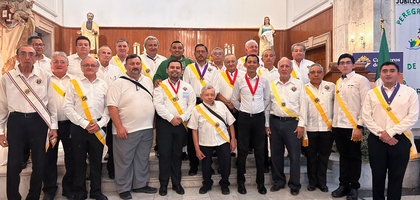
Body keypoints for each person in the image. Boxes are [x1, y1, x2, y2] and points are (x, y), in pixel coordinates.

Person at [0, 45, 58, 200]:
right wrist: (0, 132)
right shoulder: (7, 77)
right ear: (17, 56)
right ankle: (13, 197)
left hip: (38, 122)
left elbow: (51, 103)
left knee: (39, 163)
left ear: (36, 57)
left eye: (31, 54)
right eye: (23, 54)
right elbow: (2, 106)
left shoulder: (44, 75)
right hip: (16, 122)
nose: (27, 57)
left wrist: (54, 126)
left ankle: (33, 196)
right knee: (14, 164)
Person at [362, 61, 419, 200]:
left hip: (400, 139)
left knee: (396, 177)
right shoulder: (372, 93)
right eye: (385, 71)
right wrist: (382, 133)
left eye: (392, 70)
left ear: (398, 74)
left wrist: (390, 132)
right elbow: (366, 116)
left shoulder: (409, 92)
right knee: (378, 176)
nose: (388, 73)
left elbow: (412, 117)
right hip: (377, 139)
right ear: (380, 75)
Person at [107, 54, 157, 199]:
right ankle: (123, 188)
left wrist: (153, 120)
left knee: (142, 158)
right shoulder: (118, 84)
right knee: (124, 160)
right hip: (126, 130)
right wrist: (119, 127)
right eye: (132, 64)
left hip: (146, 128)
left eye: (137, 63)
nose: (135, 66)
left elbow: (152, 101)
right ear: (126, 66)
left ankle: (140, 184)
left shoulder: (147, 81)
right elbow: (112, 107)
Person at [63, 56, 110, 200]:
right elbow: (67, 107)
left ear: (97, 68)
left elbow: (109, 108)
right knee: (79, 161)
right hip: (79, 128)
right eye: (86, 65)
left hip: (98, 128)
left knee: (96, 162)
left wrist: (100, 124)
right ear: (82, 67)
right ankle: (80, 192)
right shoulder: (73, 84)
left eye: (93, 65)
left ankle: (96, 191)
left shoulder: (104, 84)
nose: (90, 67)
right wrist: (84, 124)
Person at [265, 57, 307, 195]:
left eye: (287, 66)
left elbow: (303, 105)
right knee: (276, 154)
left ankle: (295, 184)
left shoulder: (299, 84)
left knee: (295, 155)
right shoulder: (271, 85)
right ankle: (278, 182)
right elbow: (266, 106)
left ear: (291, 69)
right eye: (281, 66)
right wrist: (266, 124)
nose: (284, 69)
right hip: (275, 122)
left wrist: (301, 124)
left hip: (292, 124)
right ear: (278, 69)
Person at [153, 60, 196, 196]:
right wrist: (171, 118)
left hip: (181, 124)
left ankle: (177, 183)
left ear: (181, 71)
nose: (175, 70)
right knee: (165, 154)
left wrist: (182, 118)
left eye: (178, 68)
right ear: (167, 70)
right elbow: (158, 105)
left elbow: (192, 105)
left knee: (177, 154)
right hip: (165, 123)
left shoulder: (187, 87)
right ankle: (164, 184)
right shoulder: (160, 86)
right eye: (172, 67)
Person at [331, 53, 370, 200]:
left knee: (354, 157)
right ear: (338, 66)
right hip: (338, 126)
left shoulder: (361, 80)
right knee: (343, 157)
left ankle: (354, 187)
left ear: (353, 65)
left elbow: (365, 105)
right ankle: (343, 185)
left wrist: (360, 126)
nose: (345, 65)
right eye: (342, 63)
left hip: (354, 127)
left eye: (348, 62)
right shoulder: (338, 82)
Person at [231, 54, 270, 195]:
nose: (252, 64)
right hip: (244, 118)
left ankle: (261, 182)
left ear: (258, 65)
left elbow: (267, 98)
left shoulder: (264, 81)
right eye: (249, 62)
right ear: (245, 64)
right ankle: (241, 182)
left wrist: (259, 108)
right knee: (242, 152)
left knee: (260, 152)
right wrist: (243, 109)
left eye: (254, 62)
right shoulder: (239, 81)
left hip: (258, 118)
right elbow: (234, 99)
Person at [189, 85, 236, 195]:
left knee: (226, 163)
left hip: (222, 140)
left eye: (212, 94)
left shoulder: (221, 105)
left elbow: (231, 124)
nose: (210, 97)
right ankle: (207, 184)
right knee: (205, 165)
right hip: (205, 141)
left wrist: (233, 140)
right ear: (201, 96)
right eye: (207, 95)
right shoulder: (197, 109)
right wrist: (196, 148)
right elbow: (194, 130)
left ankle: (224, 184)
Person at [42, 52, 77, 200]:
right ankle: (49, 190)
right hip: (50, 126)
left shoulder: (75, 81)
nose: (59, 64)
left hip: (70, 125)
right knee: (49, 158)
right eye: (55, 61)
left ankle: (68, 188)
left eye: (62, 62)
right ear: (51, 65)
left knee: (72, 158)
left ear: (67, 65)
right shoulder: (43, 80)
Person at [182, 44, 219, 176]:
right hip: (194, 103)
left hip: (209, 102)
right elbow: (184, 87)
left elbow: (216, 87)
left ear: (207, 53)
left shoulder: (212, 69)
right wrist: (188, 104)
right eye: (198, 51)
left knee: (207, 134)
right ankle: (193, 165)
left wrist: (209, 99)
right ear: (194, 54)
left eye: (203, 51)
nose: (200, 54)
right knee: (193, 135)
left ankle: (208, 165)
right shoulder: (189, 68)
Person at [304, 64, 335, 193]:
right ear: (308, 75)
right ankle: (312, 182)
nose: (316, 74)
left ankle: (322, 182)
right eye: (313, 72)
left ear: (323, 73)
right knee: (311, 157)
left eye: (319, 72)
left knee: (324, 157)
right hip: (310, 128)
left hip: (326, 129)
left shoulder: (331, 87)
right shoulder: (303, 89)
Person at [96, 45, 122, 180]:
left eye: (109, 53)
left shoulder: (117, 70)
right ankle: (96, 170)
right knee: (97, 144)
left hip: (112, 111)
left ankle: (112, 169)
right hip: (96, 112)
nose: (106, 55)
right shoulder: (93, 68)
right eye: (104, 53)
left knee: (112, 143)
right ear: (98, 55)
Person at [215, 54, 245, 156]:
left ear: (237, 62)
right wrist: (228, 103)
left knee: (240, 131)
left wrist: (236, 103)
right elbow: (217, 93)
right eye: (228, 62)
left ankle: (240, 153)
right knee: (226, 129)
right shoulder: (219, 75)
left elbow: (247, 90)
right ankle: (228, 151)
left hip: (241, 106)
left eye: (233, 61)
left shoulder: (244, 74)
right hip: (225, 106)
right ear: (224, 63)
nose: (231, 64)